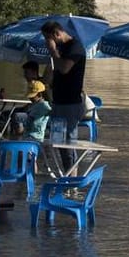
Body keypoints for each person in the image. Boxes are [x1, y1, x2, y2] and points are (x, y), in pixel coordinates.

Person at [42, 20, 87, 169]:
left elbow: (65, 68)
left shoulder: (76, 47)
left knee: (68, 143)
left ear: (57, 34)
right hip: (58, 100)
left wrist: (53, 51)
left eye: (48, 38)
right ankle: (64, 174)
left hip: (71, 102)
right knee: (57, 140)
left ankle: (71, 181)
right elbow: (54, 73)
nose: (47, 42)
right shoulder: (61, 48)